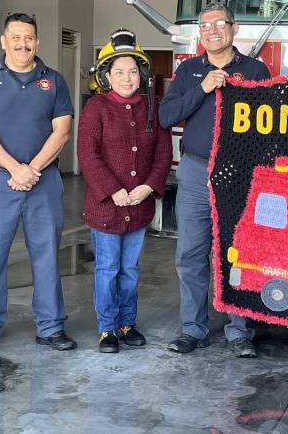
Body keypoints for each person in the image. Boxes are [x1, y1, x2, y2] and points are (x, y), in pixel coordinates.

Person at [159, 2, 271, 357]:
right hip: (194, 170)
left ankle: (240, 331)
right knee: (190, 252)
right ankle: (193, 329)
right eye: (205, 26)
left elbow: (273, 126)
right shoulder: (190, 70)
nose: (212, 30)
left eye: (220, 24)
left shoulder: (255, 70)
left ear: (234, 29)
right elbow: (166, 116)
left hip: (240, 173)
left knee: (238, 253)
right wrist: (203, 88)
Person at [0, 12, 75, 354]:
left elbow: (63, 130)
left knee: (46, 255)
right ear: (3, 41)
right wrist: (14, 168)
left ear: (37, 42)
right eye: (16, 37)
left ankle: (51, 326)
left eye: (29, 38)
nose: (22, 44)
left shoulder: (53, 80)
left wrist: (33, 169)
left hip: (43, 180)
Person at [78, 29, 172, 353]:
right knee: (108, 269)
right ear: (107, 76)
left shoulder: (153, 107)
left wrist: (148, 187)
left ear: (142, 74)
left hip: (139, 206)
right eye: (119, 71)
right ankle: (107, 329)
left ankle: (126, 323)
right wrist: (112, 190)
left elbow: (163, 154)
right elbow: (88, 155)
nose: (127, 77)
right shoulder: (96, 108)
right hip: (107, 206)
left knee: (129, 270)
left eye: (133, 71)